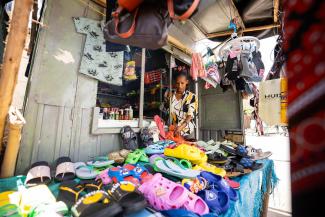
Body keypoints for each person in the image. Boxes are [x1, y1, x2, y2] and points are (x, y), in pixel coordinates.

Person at [165, 72, 198, 139]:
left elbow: (190, 115)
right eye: (177, 83)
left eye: (182, 83)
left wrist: (181, 127)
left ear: (187, 82)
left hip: (187, 131)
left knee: (188, 148)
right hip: (174, 130)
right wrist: (168, 100)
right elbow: (166, 110)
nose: (179, 86)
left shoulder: (192, 97)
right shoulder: (171, 95)